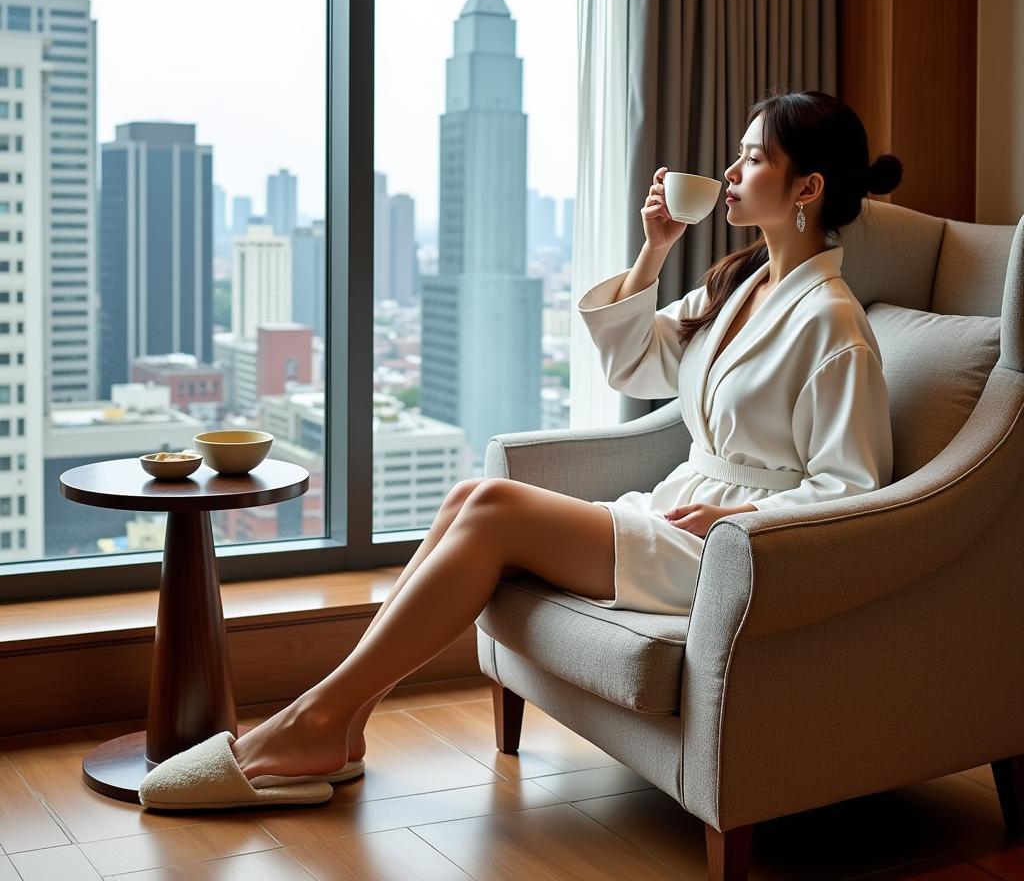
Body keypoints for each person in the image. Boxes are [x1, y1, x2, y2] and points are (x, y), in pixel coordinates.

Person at [139, 88, 900, 809]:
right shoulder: (740, 284)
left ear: (807, 189)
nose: (730, 173)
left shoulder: (834, 324)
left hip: (734, 549)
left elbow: (852, 489)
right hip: (681, 515)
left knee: (493, 504)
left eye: (755, 159)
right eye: (737, 155)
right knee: (468, 497)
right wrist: (655, 247)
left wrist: (742, 523)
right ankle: (338, 722)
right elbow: (635, 364)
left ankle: (313, 723)